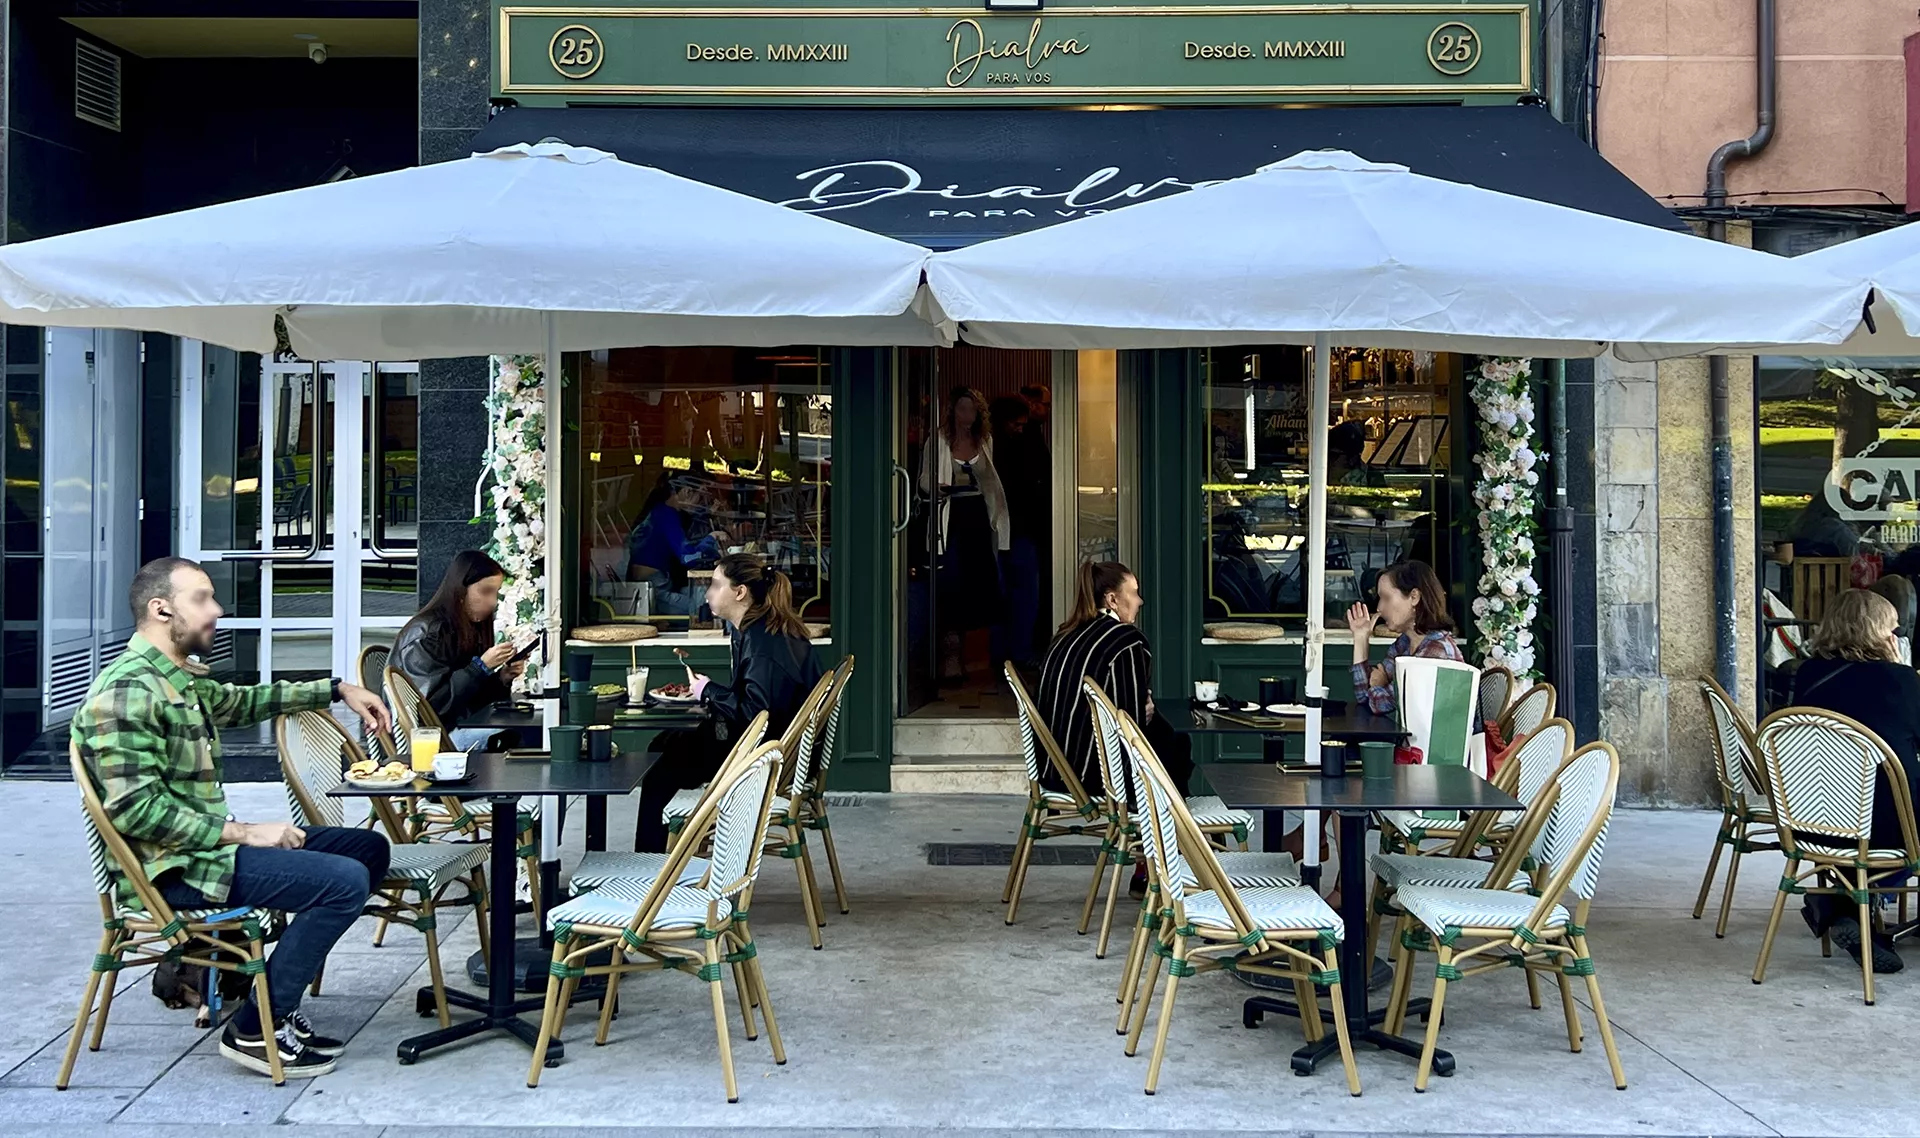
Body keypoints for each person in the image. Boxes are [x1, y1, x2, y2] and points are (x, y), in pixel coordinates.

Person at [71, 557, 393, 1079]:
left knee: (367, 850)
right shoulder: (128, 691)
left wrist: (338, 690)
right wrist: (245, 832)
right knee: (343, 882)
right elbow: (134, 810)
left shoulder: (175, 678)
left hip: (207, 853)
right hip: (173, 871)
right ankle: (256, 1025)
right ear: (160, 609)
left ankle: (271, 994)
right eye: (201, 599)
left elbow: (245, 701)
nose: (217, 610)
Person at [634, 553, 824, 852]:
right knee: (663, 745)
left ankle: (652, 866)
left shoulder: (763, 642)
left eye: (715, 584)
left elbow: (757, 715)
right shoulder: (757, 630)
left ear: (740, 592)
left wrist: (709, 691)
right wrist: (708, 691)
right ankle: (663, 857)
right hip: (769, 750)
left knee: (660, 763)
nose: (707, 592)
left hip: (766, 760)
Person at [1790, 588, 1920, 973]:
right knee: (1901, 807)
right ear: (1878, 633)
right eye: (1893, 629)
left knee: (1874, 799)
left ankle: (1838, 902)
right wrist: (1904, 672)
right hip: (1885, 831)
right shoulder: (1898, 681)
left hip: (1814, 824)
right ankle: (1840, 903)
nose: (1898, 638)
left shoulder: (1807, 674)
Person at [919, 386, 1009, 683]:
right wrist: (937, 487)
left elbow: (992, 482)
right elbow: (923, 479)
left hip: (979, 517)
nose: (966, 415)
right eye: (961, 409)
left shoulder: (985, 440)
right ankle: (950, 659)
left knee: (981, 585)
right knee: (952, 585)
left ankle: (978, 660)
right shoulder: (939, 441)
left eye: (971, 410)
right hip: (951, 515)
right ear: (952, 411)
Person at [393, 550, 526, 728]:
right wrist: (479, 667)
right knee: (516, 737)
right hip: (427, 736)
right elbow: (431, 706)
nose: (493, 601)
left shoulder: (466, 627)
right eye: (486, 591)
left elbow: (470, 700)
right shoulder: (428, 633)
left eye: (496, 592)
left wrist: (502, 678)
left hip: (456, 726)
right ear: (461, 591)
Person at [1346, 559, 1466, 717]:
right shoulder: (1405, 642)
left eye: (1387, 598)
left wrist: (1377, 685)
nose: (1380, 608)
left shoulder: (1436, 651)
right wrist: (1361, 638)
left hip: (1438, 741)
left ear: (1414, 597)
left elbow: (1380, 703)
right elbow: (1365, 697)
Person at [990, 394, 1048, 672]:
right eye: (1016, 424)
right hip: (1018, 529)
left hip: (1005, 528)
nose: (1020, 429)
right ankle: (1017, 654)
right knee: (1022, 594)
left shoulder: (991, 446)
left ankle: (1004, 657)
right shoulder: (1018, 446)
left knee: (1007, 595)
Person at [626, 471, 725, 616]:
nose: (701, 502)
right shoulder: (667, 515)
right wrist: (711, 539)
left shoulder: (661, 513)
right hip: (656, 590)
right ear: (686, 491)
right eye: (701, 496)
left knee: (702, 594)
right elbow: (688, 557)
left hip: (659, 585)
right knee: (706, 610)